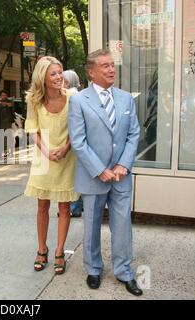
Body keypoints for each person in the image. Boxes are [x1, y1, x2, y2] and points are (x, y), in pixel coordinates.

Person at [68, 49, 142, 296]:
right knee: (91, 226)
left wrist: (123, 164)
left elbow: (133, 134)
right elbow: (78, 141)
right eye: (105, 66)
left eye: (112, 65)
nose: (111, 70)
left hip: (121, 177)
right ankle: (93, 269)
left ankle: (125, 272)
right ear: (91, 72)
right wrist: (100, 170)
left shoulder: (125, 99)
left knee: (122, 226)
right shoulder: (79, 100)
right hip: (93, 177)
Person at [24, 56, 80, 275]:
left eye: (60, 72)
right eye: (54, 74)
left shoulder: (73, 98)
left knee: (65, 207)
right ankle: (41, 248)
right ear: (43, 78)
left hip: (67, 158)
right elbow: (33, 129)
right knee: (42, 206)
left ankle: (59, 251)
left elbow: (78, 129)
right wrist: (46, 152)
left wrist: (65, 148)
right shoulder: (33, 100)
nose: (59, 77)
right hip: (43, 158)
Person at [63, 69, 83, 218]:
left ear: (67, 82)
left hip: (72, 143)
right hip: (76, 142)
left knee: (74, 176)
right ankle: (76, 206)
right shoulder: (78, 95)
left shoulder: (72, 97)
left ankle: (74, 207)